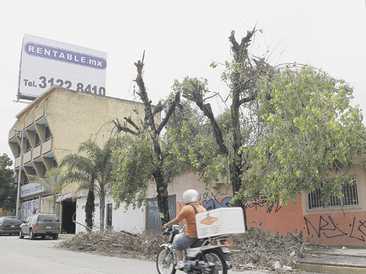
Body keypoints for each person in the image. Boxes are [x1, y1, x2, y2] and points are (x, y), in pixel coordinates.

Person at [162, 189, 207, 269]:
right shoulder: (202, 208)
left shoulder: (187, 208)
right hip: (201, 235)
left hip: (191, 236)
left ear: (186, 198)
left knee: (177, 243)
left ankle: (180, 262)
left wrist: (167, 224)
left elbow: (177, 220)